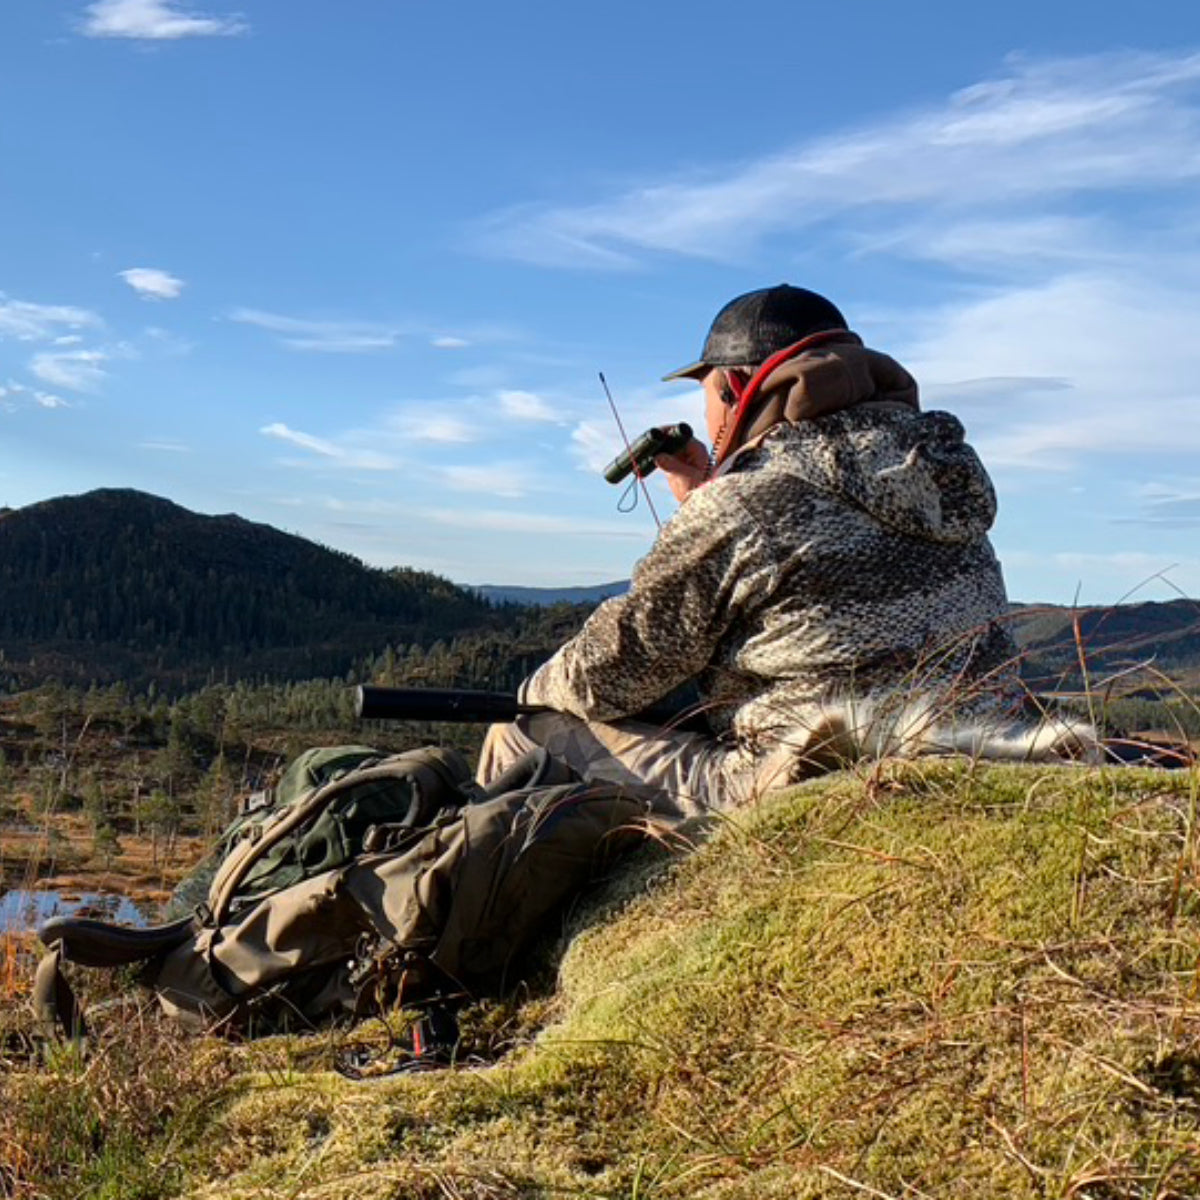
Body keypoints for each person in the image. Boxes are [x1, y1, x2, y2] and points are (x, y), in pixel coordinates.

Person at [477, 285, 1089, 815]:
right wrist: (708, 499)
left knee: (521, 733)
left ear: (737, 385)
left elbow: (603, 677)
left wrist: (531, 690)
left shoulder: (744, 505)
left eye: (707, 389)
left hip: (814, 775)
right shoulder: (934, 470)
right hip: (986, 743)